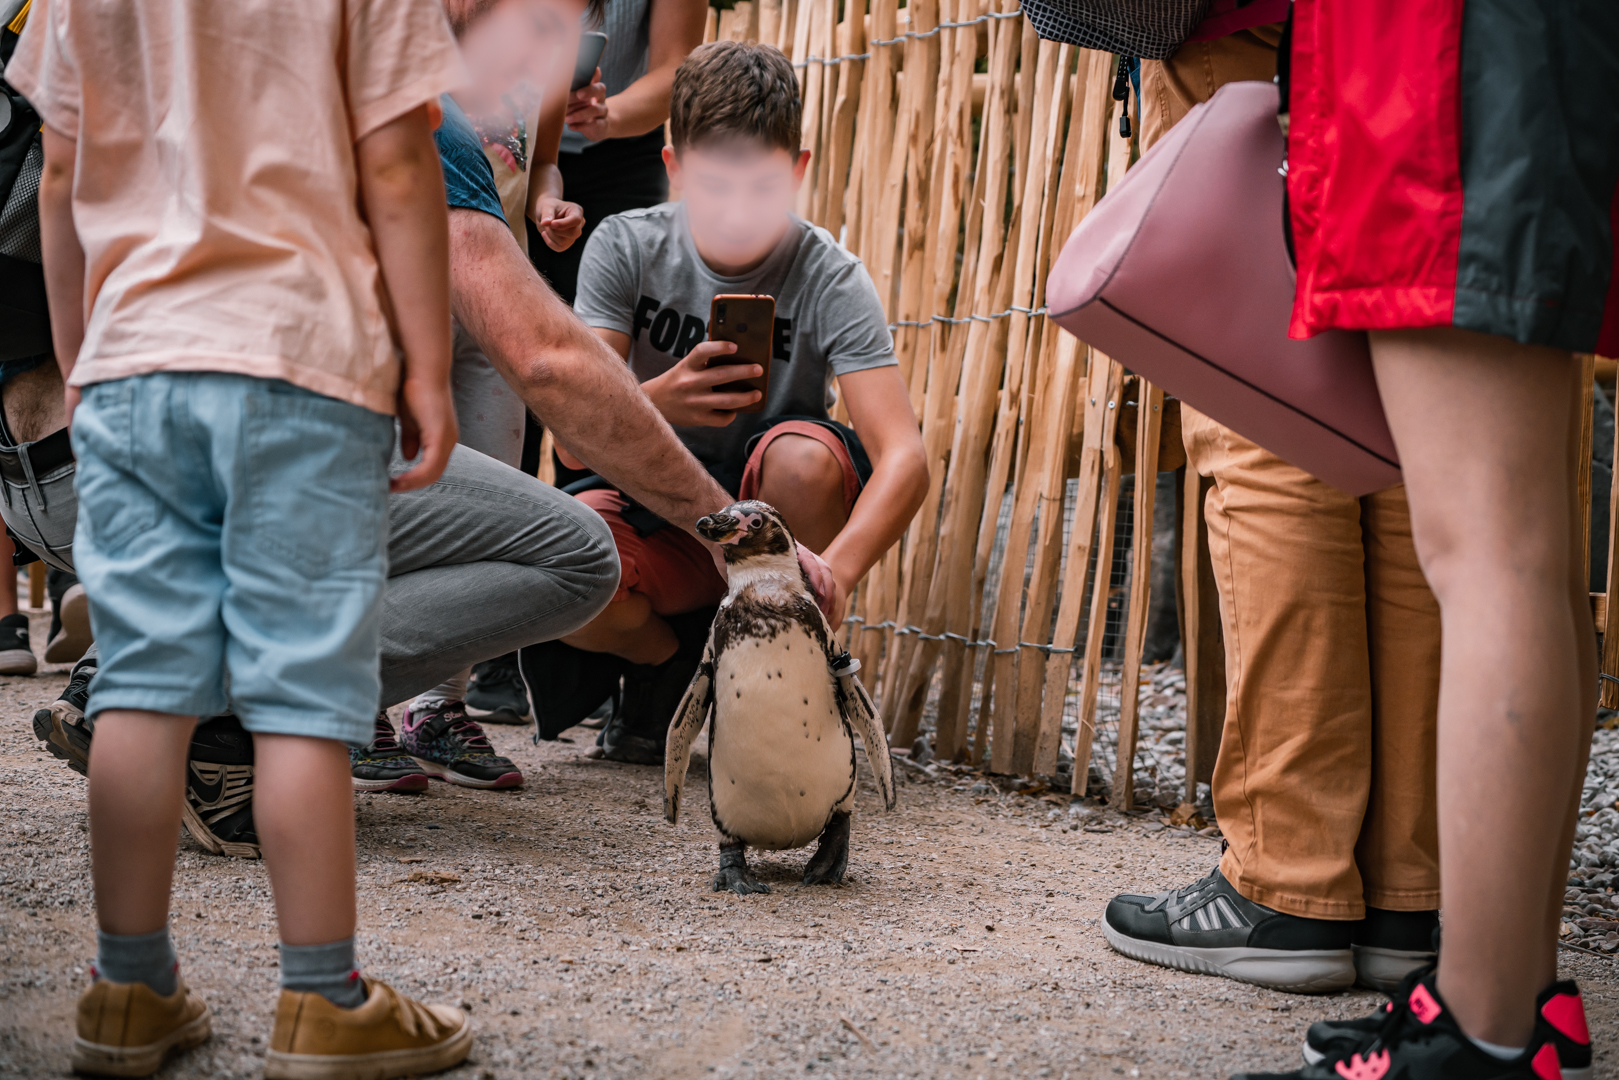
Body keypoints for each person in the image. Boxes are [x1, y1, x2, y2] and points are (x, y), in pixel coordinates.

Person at [13, 0, 480, 1073]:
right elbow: (401, 167)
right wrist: (422, 365)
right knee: (300, 701)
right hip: (301, 363)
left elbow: (57, 170)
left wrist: (84, 354)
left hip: (135, 365)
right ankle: (323, 1002)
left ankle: (126, 990)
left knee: (140, 682)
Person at [1231, 1, 1618, 1077]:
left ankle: (1478, 1032)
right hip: (1492, 69)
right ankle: (1515, 1002)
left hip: (1443, 72)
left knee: (1488, 560)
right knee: (1523, 558)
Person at [1098, 22, 1443, 997]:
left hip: (1247, 37)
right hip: (1409, 45)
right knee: (1391, 440)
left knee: (1268, 433)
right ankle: (1396, 894)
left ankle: (1288, 882)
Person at [526, 40, 929, 764]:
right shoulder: (625, 246)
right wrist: (659, 404)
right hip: (654, 517)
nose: (739, 212)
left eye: (762, 189)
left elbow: (905, 457)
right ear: (674, 167)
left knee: (803, 458)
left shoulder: (828, 274)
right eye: (715, 188)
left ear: (798, 171)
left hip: (769, 534)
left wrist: (835, 569)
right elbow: (572, 445)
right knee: (554, 557)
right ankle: (666, 666)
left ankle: (779, 685)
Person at [460, 0, 708, 719]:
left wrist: (604, 115)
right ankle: (493, 648)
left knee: (595, 380)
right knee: (509, 389)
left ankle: (582, 627)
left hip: (605, 158)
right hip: (496, 155)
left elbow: (675, 68)